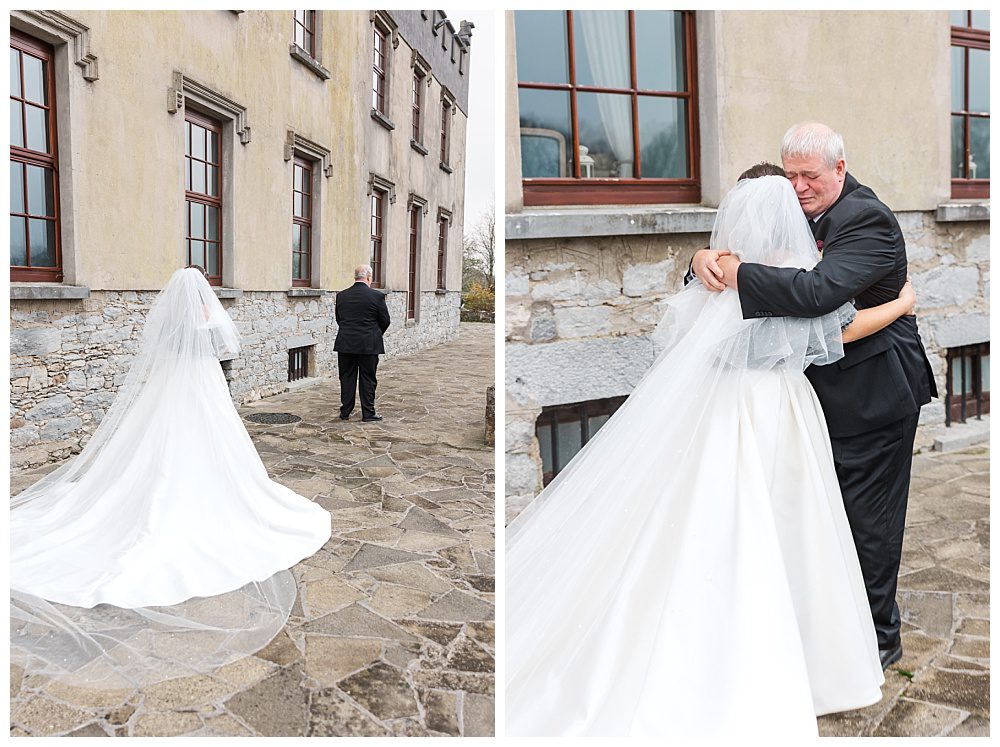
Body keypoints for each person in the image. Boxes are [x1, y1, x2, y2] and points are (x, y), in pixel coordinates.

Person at [506, 173, 917, 737]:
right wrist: (902, 305)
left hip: (723, 406)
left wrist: (703, 257)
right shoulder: (767, 275)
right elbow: (830, 329)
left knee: (725, 522)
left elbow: (701, 322)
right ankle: (782, 656)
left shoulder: (716, 273)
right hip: (768, 408)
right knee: (774, 520)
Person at [10, 266, 331, 689]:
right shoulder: (206, 315)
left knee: (160, 441)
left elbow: (163, 346)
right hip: (201, 385)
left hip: (172, 385)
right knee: (201, 441)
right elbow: (223, 344)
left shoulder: (167, 319)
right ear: (198, 295)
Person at [695, 123, 937, 669]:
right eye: (791, 175)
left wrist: (734, 270)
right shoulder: (787, 212)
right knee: (815, 519)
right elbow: (729, 278)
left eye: (810, 176)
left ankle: (877, 640)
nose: (799, 186)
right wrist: (700, 260)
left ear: (840, 169)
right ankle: (824, 629)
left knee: (866, 521)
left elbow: (816, 293)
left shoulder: (867, 219)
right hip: (801, 394)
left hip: (871, 393)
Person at [334, 264, 391, 422]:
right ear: (369, 277)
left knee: (346, 377)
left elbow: (339, 319)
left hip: (346, 343)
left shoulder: (341, 296)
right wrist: (374, 334)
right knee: (368, 378)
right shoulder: (376, 296)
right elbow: (385, 320)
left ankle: (345, 411)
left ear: (355, 277)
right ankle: (368, 413)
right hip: (369, 344)